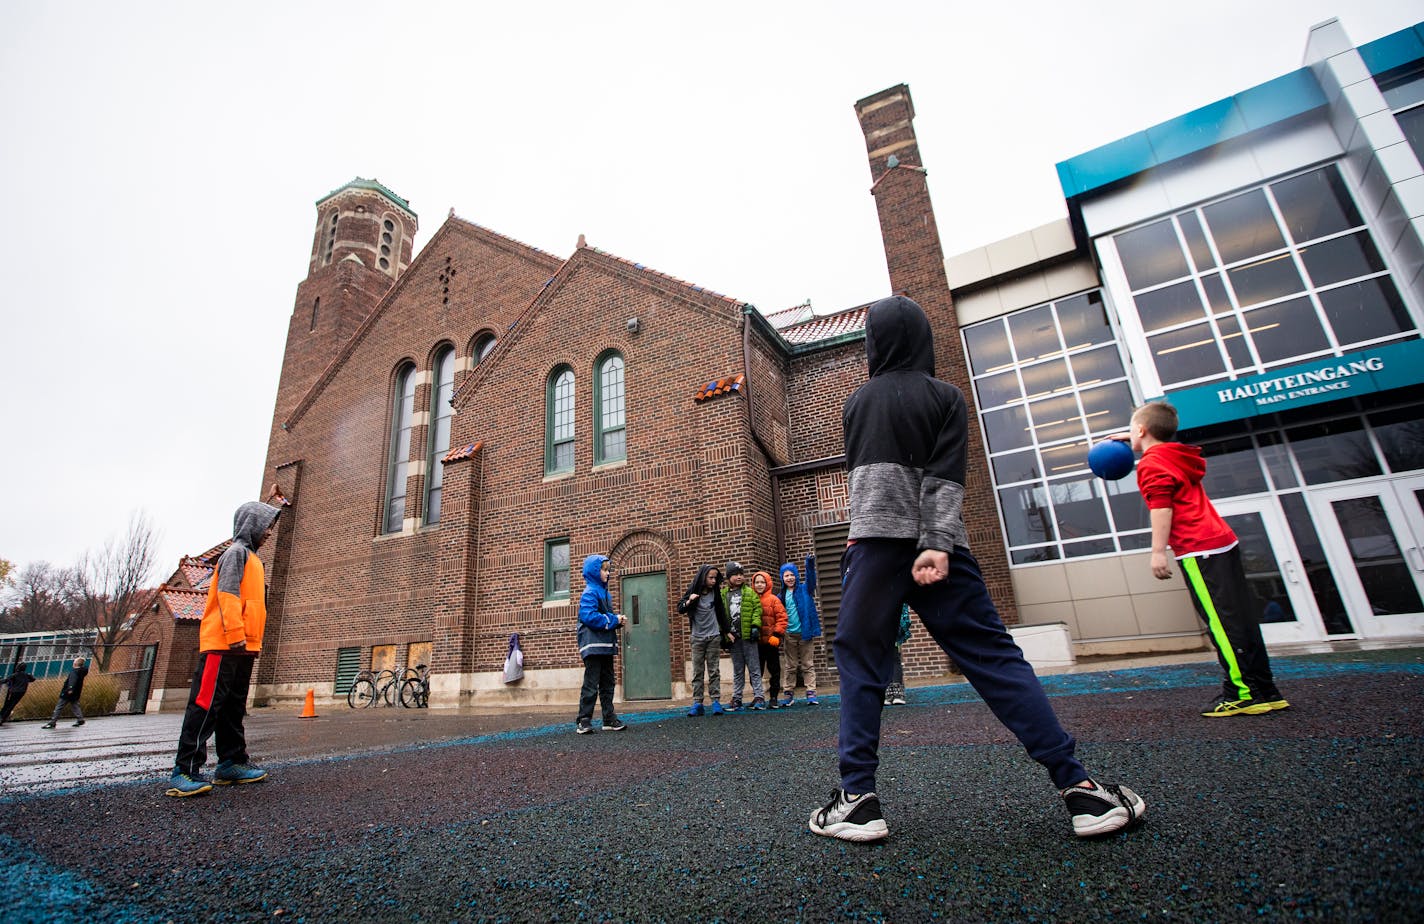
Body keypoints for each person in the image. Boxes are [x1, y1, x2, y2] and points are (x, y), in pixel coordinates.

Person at [810, 295, 1145, 843]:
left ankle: (857, 801)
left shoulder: (856, 402)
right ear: (925, 340)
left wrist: (862, 548)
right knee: (994, 659)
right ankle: (1079, 789)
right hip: (941, 547)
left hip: (872, 545)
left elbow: (864, 486)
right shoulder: (946, 396)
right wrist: (937, 543)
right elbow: (945, 477)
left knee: (861, 664)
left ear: (872, 344)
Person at [1125, 401, 1289, 717]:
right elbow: (1151, 433)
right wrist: (1129, 437)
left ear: (1142, 430)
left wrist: (1158, 551)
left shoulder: (1150, 464)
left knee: (1222, 624)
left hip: (1199, 549)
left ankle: (1243, 693)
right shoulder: (1175, 454)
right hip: (1221, 542)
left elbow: (1161, 507)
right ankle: (1265, 689)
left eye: (1133, 430)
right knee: (1240, 620)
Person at [166, 501, 282, 797]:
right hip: (225, 644)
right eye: (266, 525)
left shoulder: (254, 559)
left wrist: (250, 641)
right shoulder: (236, 554)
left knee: (233, 707)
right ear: (251, 526)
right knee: (206, 706)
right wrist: (234, 633)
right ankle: (185, 770)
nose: (270, 531)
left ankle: (231, 762)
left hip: (243, 647)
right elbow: (227, 594)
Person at [575, 554, 628, 734]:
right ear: (594, 572)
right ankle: (584, 720)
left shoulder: (606, 593)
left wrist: (617, 621)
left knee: (608, 682)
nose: (607, 573)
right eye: (604, 569)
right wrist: (614, 619)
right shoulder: (590, 592)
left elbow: (605, 619)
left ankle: (608, 718)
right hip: (592, 645)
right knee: (591, 682)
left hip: (605, 644)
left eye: (608, 570)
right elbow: (588, 616)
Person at [677, 564, 734, 716]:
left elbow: (721, 612)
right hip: (697, 637)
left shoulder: (715, 593)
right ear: (703, 577)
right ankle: (698, 702)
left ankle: (715, 701)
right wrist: (689, 601)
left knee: (714, 670)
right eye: (711, 578)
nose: (714, 581)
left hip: (713, 636)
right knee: (698, 671)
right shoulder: (693, 591)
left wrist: (727, 631)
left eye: (715, 578)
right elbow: (680, 608)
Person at [778, 559, 823, 706]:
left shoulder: (805, 589)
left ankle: (811, 693)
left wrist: (809, 566)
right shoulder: (781, 596)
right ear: (782, 578)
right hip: (789, 635)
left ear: (796, 576)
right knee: (790, 666)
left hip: (805, 633)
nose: (790, 578)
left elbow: (811, 580)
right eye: (786, 576)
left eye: (792, 575)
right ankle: (788, 694)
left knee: (807, 664)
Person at [720, 562, 764, 711]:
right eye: (735, 574)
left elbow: (757, 610)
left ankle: (759, 696)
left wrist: (755, 626)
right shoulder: (723, 594)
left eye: (741, 574)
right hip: (733, 639)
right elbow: (720, 616)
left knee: (754, 668)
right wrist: (724, 634)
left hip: (748, 637)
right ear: (728, 577)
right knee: (738, 670)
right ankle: (737, 698)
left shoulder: (750, 593)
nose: (739, 577)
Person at [752, 571, 788, 709]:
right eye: (757, 582)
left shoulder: (774, 600)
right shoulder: (751, 599)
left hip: (771, 641)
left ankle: (773, 697)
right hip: (756, 643)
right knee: (756, 671)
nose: (759, 585)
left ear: (767, 583)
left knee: (774, 670)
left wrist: (777, 635)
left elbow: (782, 618)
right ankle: (758, 696)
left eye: (762, 582)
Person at [42, 658, 88, 729]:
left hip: (68, 692)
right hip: (77, 691)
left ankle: (52, 722)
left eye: (74, 662)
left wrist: (70, 688)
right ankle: (80, 719)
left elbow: (72, 680)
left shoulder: (74, 671)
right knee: (75, 705)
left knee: (59, 706)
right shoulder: (82, 671)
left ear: (75, 664)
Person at [884, 604, 911, 706]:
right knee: (890, 658)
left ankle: (893, 693)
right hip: (887, 622)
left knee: (891, 657)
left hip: (889, 623)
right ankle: (892, 692)